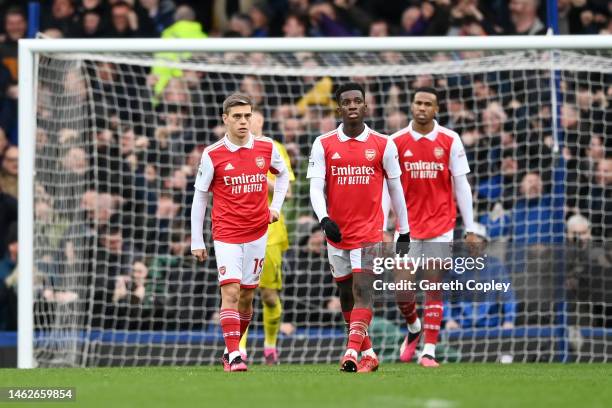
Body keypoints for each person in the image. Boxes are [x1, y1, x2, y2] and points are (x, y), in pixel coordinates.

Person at [307, 82, 410, 373]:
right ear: (338, 108)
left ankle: (351, 351)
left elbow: (396, 188)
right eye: (347, 102)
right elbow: (316, 187)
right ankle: (370, 354)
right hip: (337, 233)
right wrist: (324, 219)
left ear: (365, 106)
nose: (352, 105)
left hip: (369, 231)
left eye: (357, 101)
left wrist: (403, 229)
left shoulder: (383, 144)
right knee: (346, 294)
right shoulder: (323, 143)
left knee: (363, 290)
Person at [190, 93, 289, 372]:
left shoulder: (267, 148)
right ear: (225, 119)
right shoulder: (212, 154)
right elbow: (200, 198)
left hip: (258, 233)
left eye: (247, 115)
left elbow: (282, 177)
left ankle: (230, 347)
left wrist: (276, 207)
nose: (243, 121)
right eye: (237, 116)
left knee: (247, 297)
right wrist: (197, 240)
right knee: (230, 292)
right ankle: (234, 355)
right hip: (226, 235)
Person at [391, 86, 477, 368]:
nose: (422, 108)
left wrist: (471, 226)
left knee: (433, 287)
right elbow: (385, 187)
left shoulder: (450, 140)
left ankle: (429, 350)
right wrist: (382, 223)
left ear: (436, 109)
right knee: (402, 289)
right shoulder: (396, 141)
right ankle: (414, 328)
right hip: (406, 227)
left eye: (428, 104)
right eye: (418, 102)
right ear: (411, 105)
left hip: (441, 224)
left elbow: (461, 185)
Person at [239, 108, 296, 365]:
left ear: (260, 122)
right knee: (241, 292)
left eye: (252, 118)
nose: (248, 123)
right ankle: (238, 349)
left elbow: (290, 192)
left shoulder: (274, 149)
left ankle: (270, 346)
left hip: (271, 231)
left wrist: (260, 179)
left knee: (268, 295)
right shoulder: (232, 150)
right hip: (240, 228)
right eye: (243, 118)